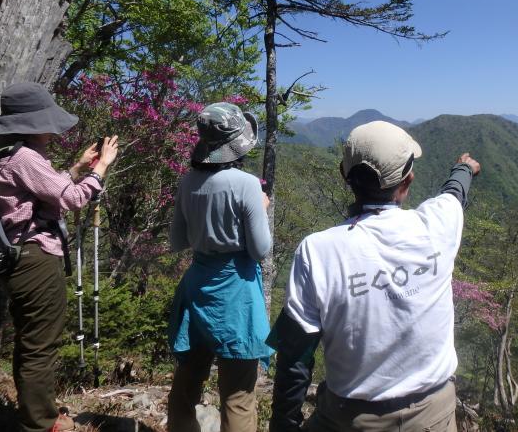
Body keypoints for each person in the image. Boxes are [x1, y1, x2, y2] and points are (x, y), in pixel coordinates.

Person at [268, 120, 481, 432]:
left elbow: (295, 354)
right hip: (433, 414)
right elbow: (454, 193)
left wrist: (283, 425)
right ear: (408, 180)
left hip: (348, 419)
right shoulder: (437, 226)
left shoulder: (318, 250)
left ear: (345, 175)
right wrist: (464, 167)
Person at [0, 83, 119, 432]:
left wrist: (76, 168)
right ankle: (42, 423)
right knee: (40, 342)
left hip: (19, 255)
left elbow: (49, 191)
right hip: (34, 257)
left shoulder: (8, 151)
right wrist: (100, 168)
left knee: (32, 339)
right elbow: (72, 199)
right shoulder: (25, 156)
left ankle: (36, 411)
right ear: (32, 122)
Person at [167, 102, 272, 432]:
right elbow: (260, 249)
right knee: (238, 394)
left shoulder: (188, 181)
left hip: (197, 286)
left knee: (186, 382)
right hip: (236, 294)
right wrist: (261, 207)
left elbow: (177, 240)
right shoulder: (246, 184)